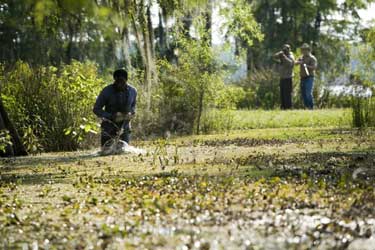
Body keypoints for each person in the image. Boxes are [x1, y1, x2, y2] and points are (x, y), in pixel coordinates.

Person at [93, 69, 137, 147]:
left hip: (124, 128)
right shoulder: (106, 91)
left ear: (126, 80)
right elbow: (96, 109)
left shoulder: (133, 91)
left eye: (122, 82)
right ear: (114, 80)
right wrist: (111, 116)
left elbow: (133, 106)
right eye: (117, 82)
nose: (119, 84)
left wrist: (131, 113)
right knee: (105, 152)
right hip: (108, 128)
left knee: (123, 152)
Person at [296, 43, 318, 109]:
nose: (303, 51)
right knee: (303, 93)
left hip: (309, 77)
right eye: (302, 50)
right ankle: (307, 107)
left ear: (308, 50)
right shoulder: (301, 57)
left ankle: (311, 107)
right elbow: (295, 63)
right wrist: (298, 62)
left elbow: (314, 67)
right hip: (302, 78)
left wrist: (306, 65)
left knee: (308, 93)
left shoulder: (312, 58)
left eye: (305, 50)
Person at [273, 44, 295, 109]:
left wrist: (284, 57)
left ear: (289, 49)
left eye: (286, 49)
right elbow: (274, 57)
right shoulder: (282, 55)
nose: (285, 51)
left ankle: (288, 107)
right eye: (284, 50)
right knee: (282, 93)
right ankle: (283, 107)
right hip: (282, 77)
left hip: (288, 77)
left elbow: (290, 63)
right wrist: (279, 54)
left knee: (287, 94)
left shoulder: (291, 56)